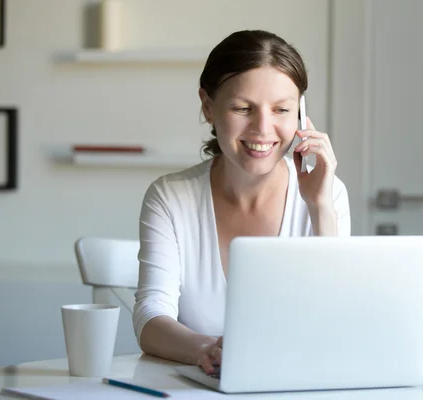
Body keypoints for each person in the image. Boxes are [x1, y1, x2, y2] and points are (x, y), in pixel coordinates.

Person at [132, 29, 351, 374]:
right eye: (242, 108)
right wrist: (208, 349)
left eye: (281, 109)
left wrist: (320, 208)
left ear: (300, 113)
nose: (263, 128)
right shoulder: (170, 197)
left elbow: (337, 326)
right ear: (208, 106)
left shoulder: (328, 192)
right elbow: (150, 318)